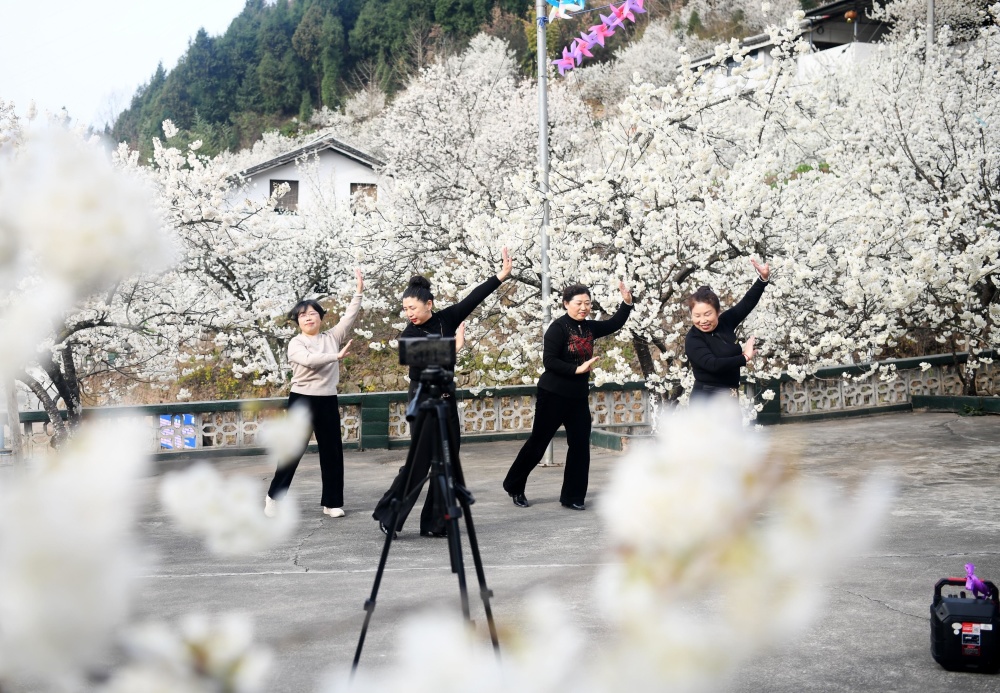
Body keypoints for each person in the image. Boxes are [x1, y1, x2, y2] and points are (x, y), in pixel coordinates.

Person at [372, 248, 514, 537]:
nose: (408, 314)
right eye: (405, 309)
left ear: (429, 304)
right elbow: (423, 361)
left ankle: (435, 524)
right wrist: (455, 347)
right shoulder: (408, 335)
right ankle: (391, 515)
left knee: (448, 461)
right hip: (422, 400)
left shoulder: (446, 319)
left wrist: (501, 276)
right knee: (420, 463)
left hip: (447, 399)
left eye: (412, 308)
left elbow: (474, 297)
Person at [502, 280, 633, 511]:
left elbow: (613, 324)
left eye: (588, 303)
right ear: (566, 304)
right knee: (539, 442)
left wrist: (626, 303)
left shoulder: (589, 328)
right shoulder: (558, 328)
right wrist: (576, 369)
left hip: (577, 397)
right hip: (553, 394)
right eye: (578, 303)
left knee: (580, 446)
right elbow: (549, 361)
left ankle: (573, 496)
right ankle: (514, 485)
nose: (584, 307)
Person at [264, 269, 363, 518]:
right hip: (302, 400)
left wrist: (359, 292)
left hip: (327, 399)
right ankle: (273, 497)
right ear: (298, 322)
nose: (308, 318)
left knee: (332, 452)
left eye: (313, 313)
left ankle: (331, 502)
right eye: (303, 315)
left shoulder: (333, 336)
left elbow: (349, 317)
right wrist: (336, 356)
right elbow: (310, 361)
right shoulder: (296, 343)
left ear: (320, 317)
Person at [684, 258, 770, 402]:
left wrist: (763, 279)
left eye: (707, 314)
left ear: (717, 312)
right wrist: (745, 357)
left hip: (730, 395)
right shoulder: (693, 338)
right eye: (697, 316)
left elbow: (746, 303)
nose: (703, 320)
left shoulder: (725, 323)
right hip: (707, 398)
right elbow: (713, 365)